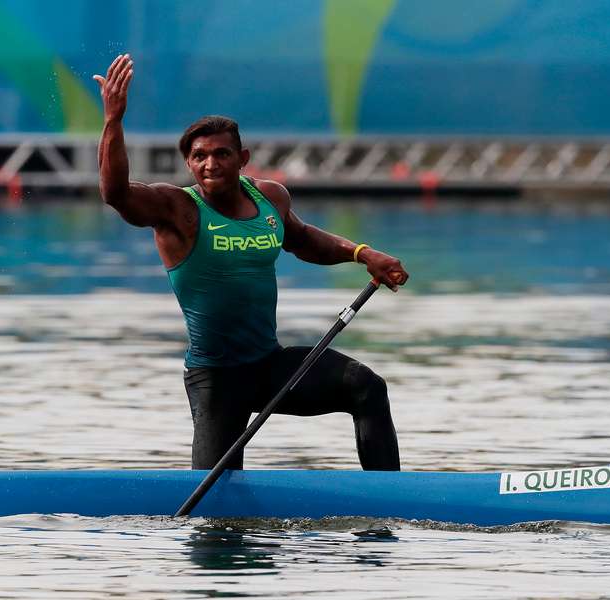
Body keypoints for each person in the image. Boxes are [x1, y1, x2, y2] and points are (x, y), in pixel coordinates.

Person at [93, 54, 408, 471]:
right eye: (200, 156)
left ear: (243, 159)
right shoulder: (176, 209)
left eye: (222, 154)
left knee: (366, 387)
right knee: (215, 518)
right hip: (217, 378)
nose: (211, 164)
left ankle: (385, 499)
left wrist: (362, 253)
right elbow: (116, 193)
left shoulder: (270, 198)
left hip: (269, 363)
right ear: (189, 162)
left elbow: (302, 240)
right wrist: (113, 120)